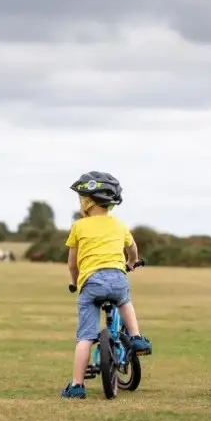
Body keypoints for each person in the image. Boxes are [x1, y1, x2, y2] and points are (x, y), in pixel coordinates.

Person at [60, 171, 153, 399]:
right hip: (117, 277)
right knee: (124, 301)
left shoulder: (79, 227)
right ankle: (136, 336)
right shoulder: (119, 225)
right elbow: (132, 250)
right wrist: (131, 262)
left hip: (90, 281)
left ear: (87, 201)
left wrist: (75, 282)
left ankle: (77, 385)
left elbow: (72, 263)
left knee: (85, 337)